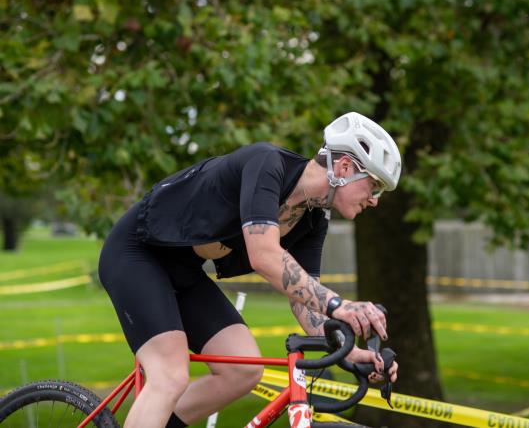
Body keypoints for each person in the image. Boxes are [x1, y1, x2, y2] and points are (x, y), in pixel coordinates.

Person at [98, 112, 402, 428]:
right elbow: (264, 255)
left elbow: (304, 300)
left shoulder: (313, 219)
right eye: (375, 186)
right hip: (137, 251)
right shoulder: (267, 164)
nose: (375, 200)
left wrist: (351, 354)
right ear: (344, 168)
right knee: (169, 375)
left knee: (243, 371)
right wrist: (340, 305)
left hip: (183, 269)